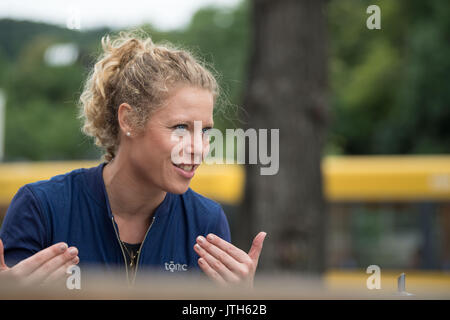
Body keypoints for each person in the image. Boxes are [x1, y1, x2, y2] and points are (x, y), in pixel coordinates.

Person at [0, 31, 266, 288]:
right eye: (180, 128)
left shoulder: (206, 222)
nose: (199, 148)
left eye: (205, 131)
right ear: (128, 120)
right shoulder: (41, 208)